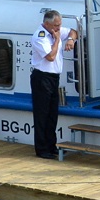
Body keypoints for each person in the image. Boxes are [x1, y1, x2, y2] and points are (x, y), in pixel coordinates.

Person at [31, 9, 78, 159]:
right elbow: (50, 57)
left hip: (54, 78)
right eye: (56, 26)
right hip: (42, 78)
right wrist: (58, 40)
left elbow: (73, 31)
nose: (58, 28)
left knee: (52, 114)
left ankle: (52, 146)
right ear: (47, 24)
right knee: (42, 114)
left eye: (59, 25)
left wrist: (70, 39)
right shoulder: (40, 36)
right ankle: (42, 149)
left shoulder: (56, 29)